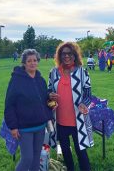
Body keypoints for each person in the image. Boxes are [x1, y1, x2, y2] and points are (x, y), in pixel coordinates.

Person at [4, 49, 54, 171]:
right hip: (24, 128)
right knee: (27, 159)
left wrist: (51, 98)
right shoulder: (16, 80)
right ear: (24, 63)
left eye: (35, 60)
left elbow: (44, 98)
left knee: (36, 158)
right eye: (29, 61)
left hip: (40, 127)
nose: (32, 63)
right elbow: (9, 105)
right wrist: (13, 127)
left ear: (38, 61)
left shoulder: (40, 79)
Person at [47, 42, 93, 171]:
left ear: (75, 55)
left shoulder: (82, 72)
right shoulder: (54, 72)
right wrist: (50, 97)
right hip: (60, 120)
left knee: (81, 152)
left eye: (69, 53)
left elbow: (89, 94)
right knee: (65, 150)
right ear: (59, 56)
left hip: (78, 120)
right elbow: (48, 92)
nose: (66, 56)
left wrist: (85, 103)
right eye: (63, 53)